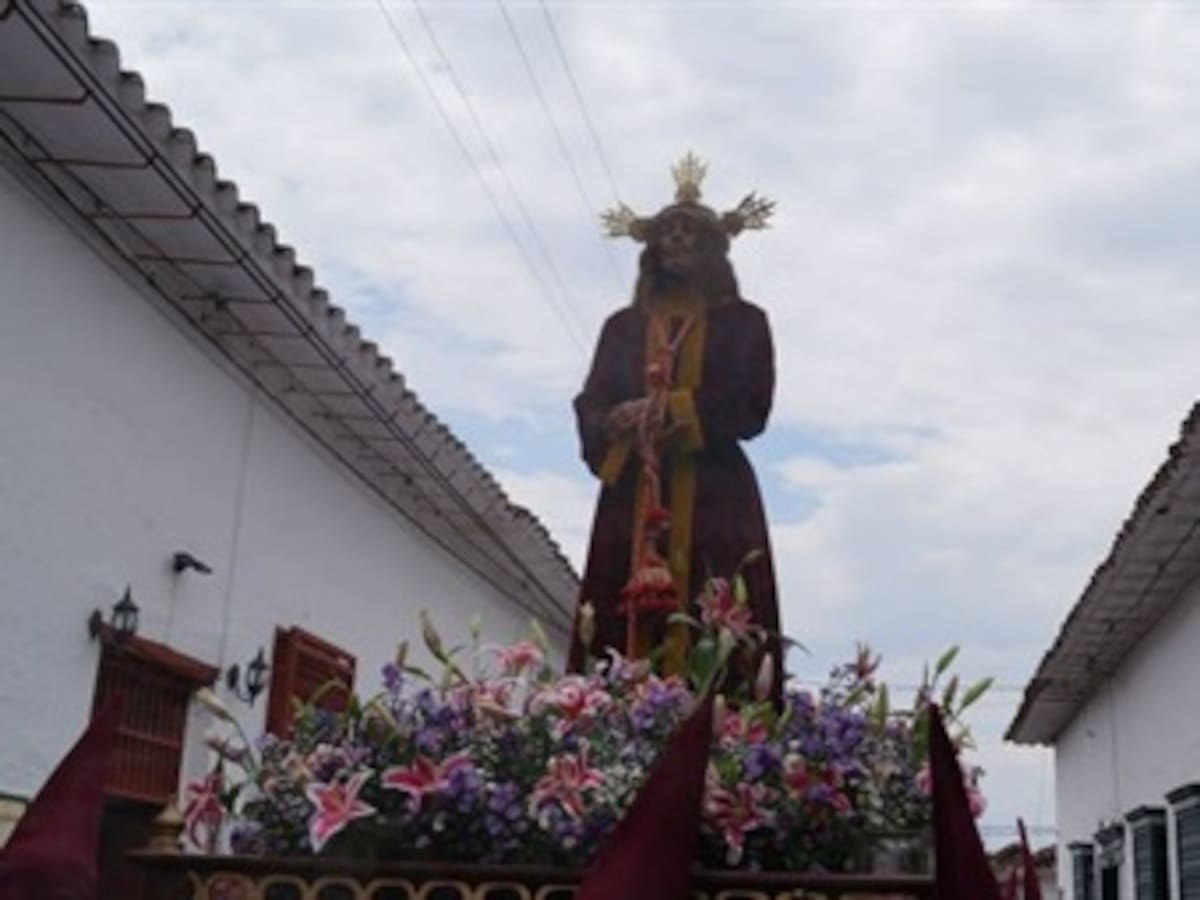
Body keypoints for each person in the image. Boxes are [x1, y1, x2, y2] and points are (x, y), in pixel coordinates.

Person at [569, 155, 781, 698]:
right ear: (651, 248)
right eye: (668, 234)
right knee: (615, 630)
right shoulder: (622, 328)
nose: (678, 242)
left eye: (691, 234)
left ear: (713, 248)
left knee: (722, 617)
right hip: (631, 498)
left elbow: (750, 403)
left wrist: (673, 411)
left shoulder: (744, 323)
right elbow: (592, 400)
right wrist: (611, 420)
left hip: (715, 496)